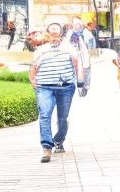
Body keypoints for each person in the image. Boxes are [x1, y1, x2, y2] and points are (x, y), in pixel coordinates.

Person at [29, 23, 84, 162]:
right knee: (45, 115)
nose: (54, 33)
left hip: (65, 87)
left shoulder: (69, 48)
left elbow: (77, 65)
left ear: (61, 34)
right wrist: (33, 81)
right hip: (44, 87)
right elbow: (33, 67)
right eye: (51, 30)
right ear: (47, 34)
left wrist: (80, 81)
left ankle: (58, 140)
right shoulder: (40, 50)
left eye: (57, 30)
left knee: (62, 118)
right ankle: (47, 147)